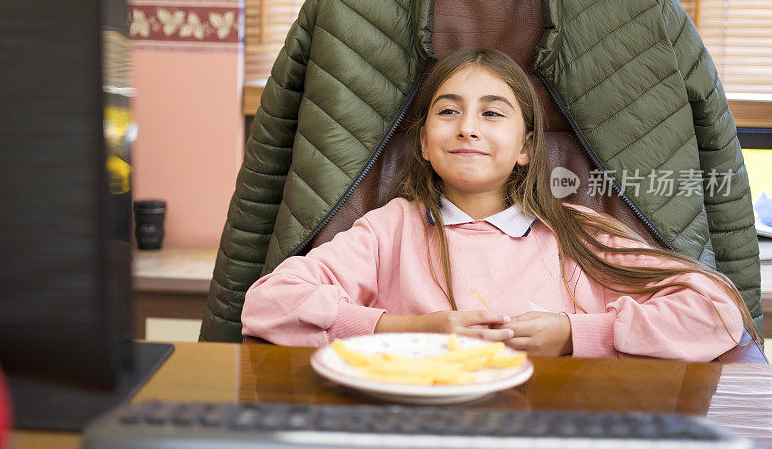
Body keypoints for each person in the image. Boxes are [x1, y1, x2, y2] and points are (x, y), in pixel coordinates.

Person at [241, 48, 757, 361]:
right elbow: (266, 304)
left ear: (527, 148)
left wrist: (578, 335)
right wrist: (405, 330)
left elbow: (717, 310)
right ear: (423, 142)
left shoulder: (578, 234)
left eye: (492, 113)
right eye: (448, 111)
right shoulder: (388, 230)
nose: (467, 127)